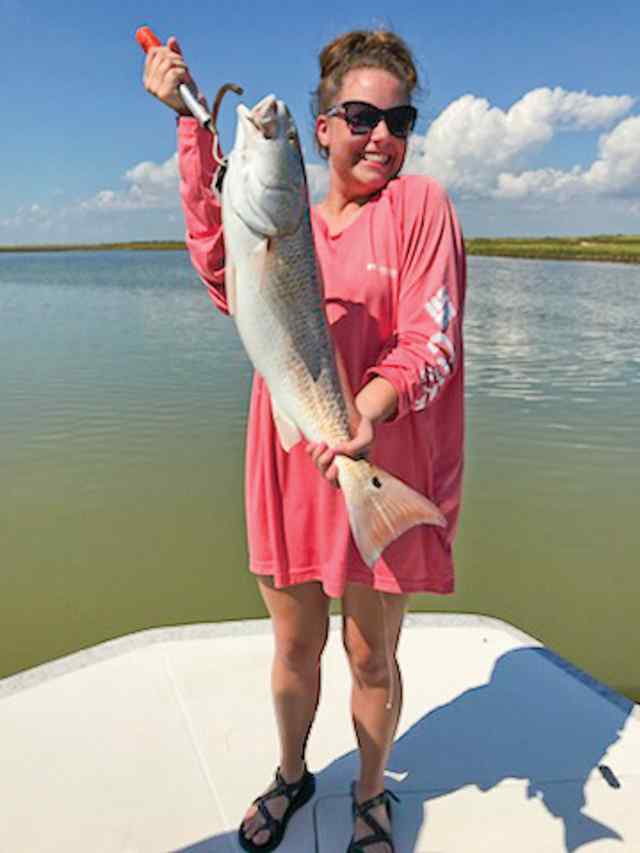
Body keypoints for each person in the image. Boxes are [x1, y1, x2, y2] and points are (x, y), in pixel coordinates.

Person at [143, 28, 466, 853]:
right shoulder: (279, 214)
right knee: (294, 644)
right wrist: (190, 127)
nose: (382, 138)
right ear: (321, 128)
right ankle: (293, 772)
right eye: (360, 117)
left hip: (377, 461)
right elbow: (222, 269)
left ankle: (367, 793)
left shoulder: (418, 207)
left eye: (400, 122)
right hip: (290, 459)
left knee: (370, 654)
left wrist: (368, 412)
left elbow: (433, 341)